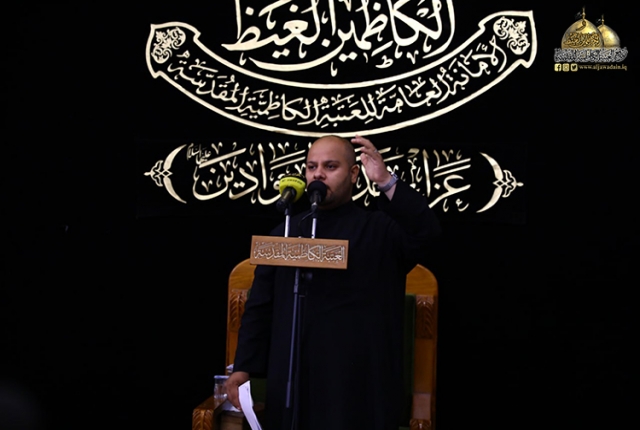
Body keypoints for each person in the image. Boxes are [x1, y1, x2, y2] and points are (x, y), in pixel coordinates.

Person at [225, 135, 441, 430]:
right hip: (294, 385)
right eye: (311, 167)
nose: (318, 174)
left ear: (353, 174)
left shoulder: (379, 231)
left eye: (330, 166)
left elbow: (427, 233)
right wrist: (243, 368)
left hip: (358, 388)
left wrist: (385, 181)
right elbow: (261, 307)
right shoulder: (285, 233)